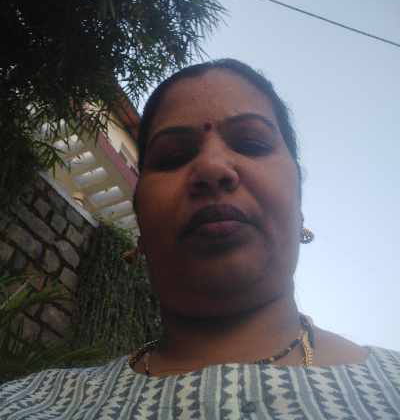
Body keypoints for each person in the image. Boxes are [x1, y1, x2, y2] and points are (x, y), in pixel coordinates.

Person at [1, 58, 399, 419]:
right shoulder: (30, 405)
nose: (210, 166)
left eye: (251, 143)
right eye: (172, 157)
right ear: (140, 226)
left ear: (299, 208)